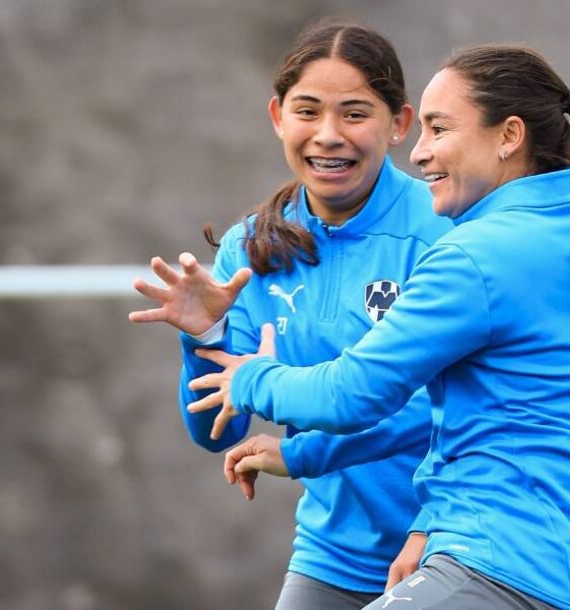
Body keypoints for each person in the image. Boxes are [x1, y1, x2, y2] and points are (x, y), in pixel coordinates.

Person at [187, 45, 570, 610]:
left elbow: (352, 392)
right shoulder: (560, 226)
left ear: (509, 136)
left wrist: (253, 379)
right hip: (509, 561)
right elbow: (471, 419)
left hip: (501, 564)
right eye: (423, 131)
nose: (422, 153)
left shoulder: (477, 254)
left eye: (438, 129)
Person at [129, 22, 452, 610]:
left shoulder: (444, 232)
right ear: (278, 116)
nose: (328, 136)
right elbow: (215, 433)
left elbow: (446, 414)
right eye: (308, 111)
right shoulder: (249, 250)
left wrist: (425, 524)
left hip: (448, 547)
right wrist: (204, 337)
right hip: (332, 554)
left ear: (400, 125)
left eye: (354, 114)